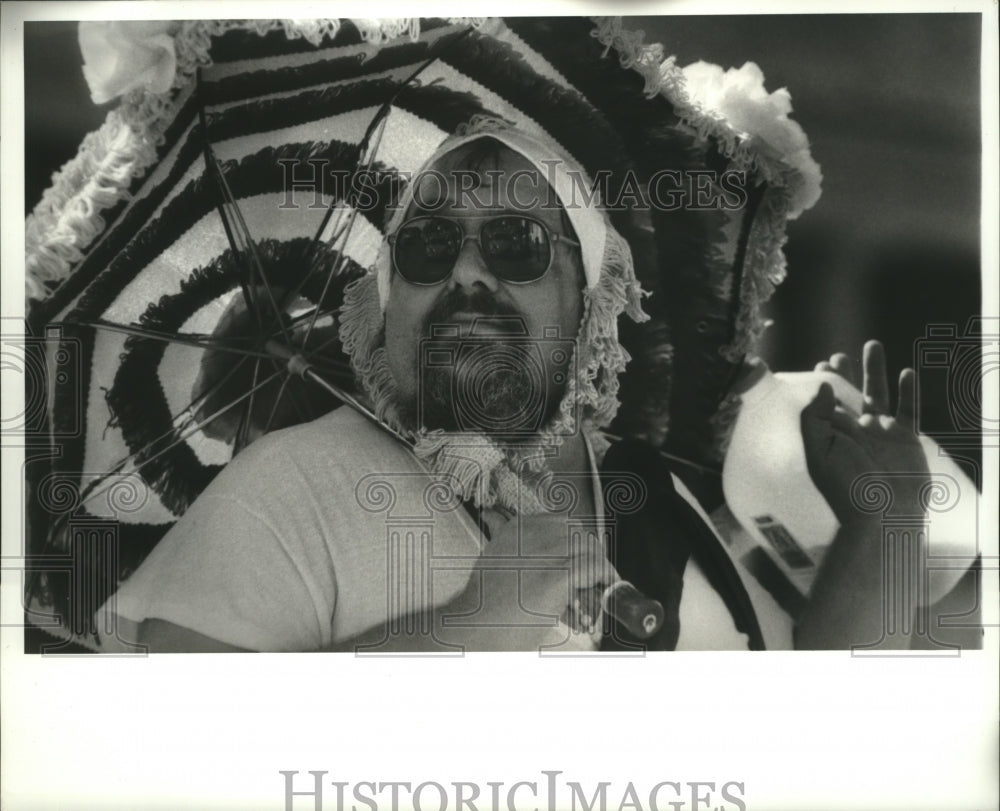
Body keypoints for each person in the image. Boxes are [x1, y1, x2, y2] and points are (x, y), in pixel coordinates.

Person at [102, 123, 935, 652]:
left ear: (591, 302)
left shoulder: (673, 498)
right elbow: (184, 753)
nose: (466, 273)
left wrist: (886, 520)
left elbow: (812, 746)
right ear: (387, 311)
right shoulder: (284, 491)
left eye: (514, 244)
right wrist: (480, 618)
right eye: (426, 249)